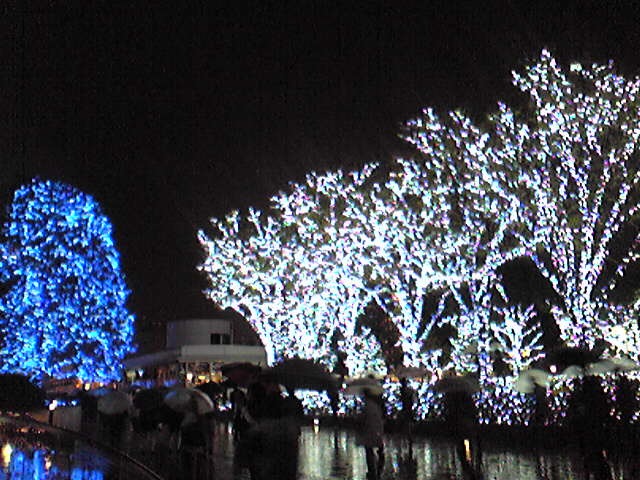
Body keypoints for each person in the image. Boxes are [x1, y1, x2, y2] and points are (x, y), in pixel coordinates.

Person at [357, 388, 385, 480]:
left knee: (369, 450)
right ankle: (377, 468)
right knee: (374, 447)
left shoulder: (367, 406)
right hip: (376, 430)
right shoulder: (375, 405)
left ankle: (372, 470)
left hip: (370, 430)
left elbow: (363, 419)